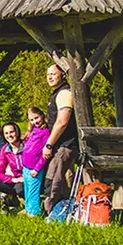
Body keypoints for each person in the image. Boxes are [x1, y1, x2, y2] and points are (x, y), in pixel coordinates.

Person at [42, 63, 79, 213]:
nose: (49, 77)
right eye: (48, 74)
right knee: (64, 180)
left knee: (53, 180)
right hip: (62, 145)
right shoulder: (58, 93)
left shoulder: (64, 93)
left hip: (65, 145)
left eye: (53, 74)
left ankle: (51, 213)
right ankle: (65, 211)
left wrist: (49, 144)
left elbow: (62, 121)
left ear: (62, 75)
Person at [0, 122, 24, 210]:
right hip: (15, 180)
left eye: (11, 132)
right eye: (6, 133)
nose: (9, 135)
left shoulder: (26, 145)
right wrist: (12, 179)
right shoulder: (5, 149)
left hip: (28, 179)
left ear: (17, 132)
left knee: (20, 188)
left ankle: (25, 207)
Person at [21, 107, 50, 216]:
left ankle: (34, 213)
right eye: (32, 120)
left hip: (35, 168)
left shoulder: (45, 132)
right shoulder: (32, 130)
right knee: (27, 189)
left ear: (42, 115)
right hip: (26, 166)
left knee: (33, 191)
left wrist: (37, 168)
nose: (35, 121)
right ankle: (28, 209)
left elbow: (44, 154)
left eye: (36, 118)